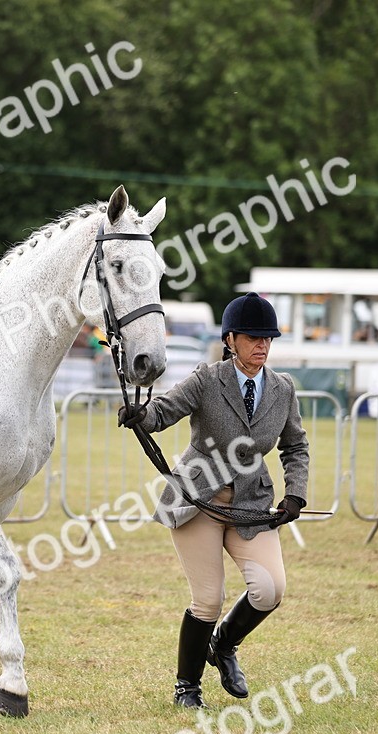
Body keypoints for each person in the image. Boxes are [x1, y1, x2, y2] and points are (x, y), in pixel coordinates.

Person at [119, 292, 309, 709]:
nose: (262, 345)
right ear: (230, 340)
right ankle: (187, 686)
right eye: (253, 337)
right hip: (198, 501)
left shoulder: (282, 388)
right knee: (208, 599)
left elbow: (295, 445)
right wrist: (142, 416)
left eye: (268, 338)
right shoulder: (207, 379)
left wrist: (296, 492)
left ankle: (223, 645)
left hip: (250, 503)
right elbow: (166, 410)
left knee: (270, 589)